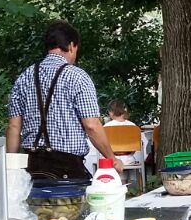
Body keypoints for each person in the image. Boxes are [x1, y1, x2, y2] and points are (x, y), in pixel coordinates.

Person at [6, 21, 119, 178]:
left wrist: (10, 170)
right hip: (67, 168)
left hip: (32, 166)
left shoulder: (24, 77)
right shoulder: (78, 77)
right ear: (71, 46)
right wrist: (112, 159)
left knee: (34, 195)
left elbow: (13, 127)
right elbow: (92, 125)